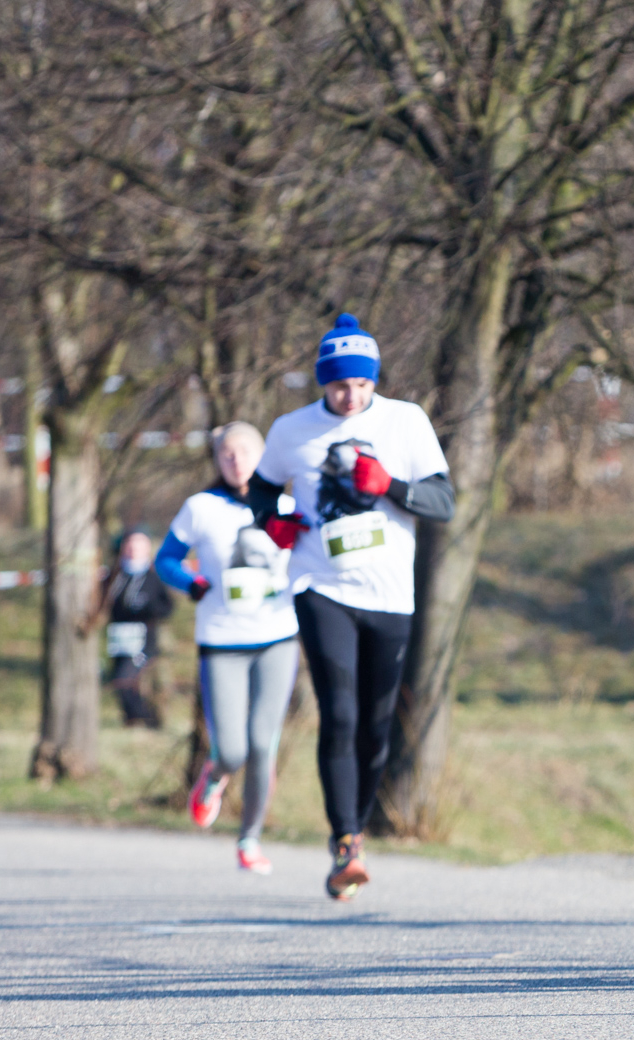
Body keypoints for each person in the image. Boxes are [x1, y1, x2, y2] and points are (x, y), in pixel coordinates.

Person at [250, 313, 454, 900]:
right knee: (338, 713)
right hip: (322, 586)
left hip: (391, 594)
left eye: (361, 384)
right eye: (339, 384)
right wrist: (277, 523)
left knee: (375, 725)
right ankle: (344, 840)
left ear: (374, 381)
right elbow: (262, 489)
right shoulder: (292, 429)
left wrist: (388, 483)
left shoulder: (406, 422)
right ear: (322, 382)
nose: (350, 395)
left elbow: (442, 501)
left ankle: (357, 829)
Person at [155, 421, 300, 874]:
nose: (236, 461)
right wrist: (192, 583)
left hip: (278, 638)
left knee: (263, 745)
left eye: (245, 453)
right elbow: (165, 560)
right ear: (217, 461)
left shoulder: (287, 506)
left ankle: (250, 839)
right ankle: (215, 776)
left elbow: (308, 557)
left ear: (263, 457)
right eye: (226, 454)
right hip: (221, 641)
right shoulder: (201, 508)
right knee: (233, 750)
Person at [102, 529, 174, 728]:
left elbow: (166, 607)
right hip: (118, 639)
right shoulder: (114, 575)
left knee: (128, 680)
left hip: (144, 640)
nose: (133, 550)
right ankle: (133, 719)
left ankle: (147, 720)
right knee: (120, 681)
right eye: (130, 545)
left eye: (139, 546)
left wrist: (146, 609)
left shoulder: (153, 577)